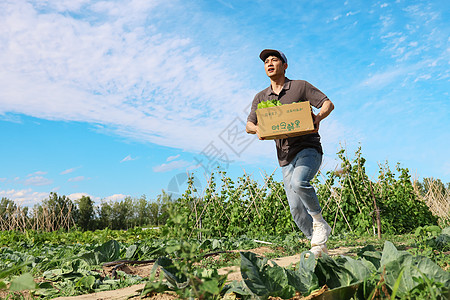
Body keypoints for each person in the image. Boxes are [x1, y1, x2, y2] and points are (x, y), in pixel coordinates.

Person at [246, 49, 334, 258]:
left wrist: (318, 117)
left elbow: (328, 104)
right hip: (285, 156)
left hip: (308, 148)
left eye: (274, 60)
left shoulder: (300, 86)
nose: (269, 63)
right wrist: (258, 129)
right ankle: (318, 244)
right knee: (296, 210)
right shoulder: (261, 97)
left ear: (284, 66)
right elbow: (249, 124)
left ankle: (320, 222)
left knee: (299, 182)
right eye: (266, 61)